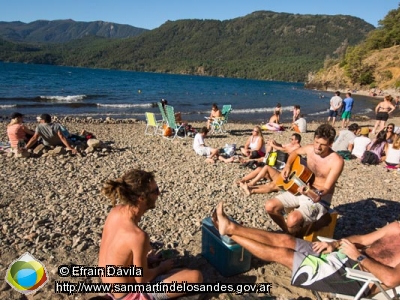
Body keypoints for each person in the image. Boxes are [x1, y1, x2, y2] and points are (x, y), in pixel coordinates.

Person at [213, 202, 400, 297]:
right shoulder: (395, 228)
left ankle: (229, 233)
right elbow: (360, 239)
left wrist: (359, 257)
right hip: (342, 256)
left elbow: (391, 279)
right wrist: (335, 244)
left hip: (356, 278)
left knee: (283, 254)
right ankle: (231, 227)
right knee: (287, 239)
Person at [99, 169, 202, 300]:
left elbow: (118, 255)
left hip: (110, 284)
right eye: (155, 191)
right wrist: (161, 268)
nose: (159, 194)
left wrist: (148, 262)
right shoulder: (138, 236)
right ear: (141, 198)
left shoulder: (115, 211)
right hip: (127, 295)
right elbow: (142, 278)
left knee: (177, 269)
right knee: (194, 277)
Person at [265, 124, 344, 236]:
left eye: (322, 145)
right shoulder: (310, 148)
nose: (317, 147)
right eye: (316, 142)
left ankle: (298, 235)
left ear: (331, 144)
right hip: (301, 188)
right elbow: (294, 153)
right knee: (270, 206)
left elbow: (326, 188)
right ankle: (289, 233)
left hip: (319, 198)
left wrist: (311, 192)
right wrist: (287, 166)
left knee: (292, 220)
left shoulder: (337, 161)